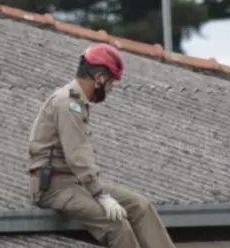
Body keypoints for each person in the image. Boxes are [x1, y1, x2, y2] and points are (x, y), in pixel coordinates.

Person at [27, 43, 177, 248]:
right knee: (116, 224)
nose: (111, 88)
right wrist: (101, 195)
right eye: (111, 82)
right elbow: (77, 157)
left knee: (140, 206)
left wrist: (98, 192)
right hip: (55, 188)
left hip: (75, 185)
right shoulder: (68, 104)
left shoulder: (77, 101)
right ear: (99, 77)